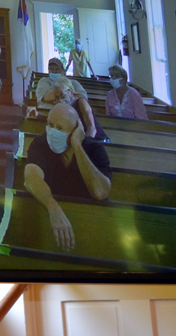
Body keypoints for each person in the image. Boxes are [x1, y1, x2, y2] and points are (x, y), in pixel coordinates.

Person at [23, 103, 112, 251]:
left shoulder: (94, 149)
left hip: (89, 222)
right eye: (50, 125)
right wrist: (53, 207)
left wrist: (77, 145)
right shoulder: (41, 144)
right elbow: (31, 178)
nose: (52, 132)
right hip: (53, 220)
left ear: (76, 131)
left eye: (60, 128)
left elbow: (100, 192)